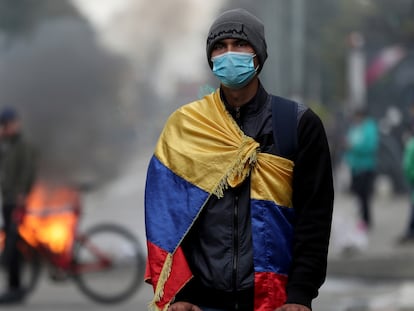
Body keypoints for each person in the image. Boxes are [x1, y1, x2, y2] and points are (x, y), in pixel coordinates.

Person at [144, 8, 334, 311]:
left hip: (274, 300)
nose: (229, 54)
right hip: (201, 303)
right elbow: (168, 216)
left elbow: (315, 218)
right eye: (220, 47)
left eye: (240, 45)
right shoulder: (187, 128)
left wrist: (300, 295)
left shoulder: (297, 124)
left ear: (259, 54)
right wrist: (182, 293)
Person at [0, 107, 37, 304]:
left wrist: (23, 192)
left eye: (9, 124)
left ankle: (15, 288)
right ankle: (15, 286)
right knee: (11, 242)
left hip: (16, 201)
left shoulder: (23, 146)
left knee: (13, 245)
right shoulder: (6, 146)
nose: (7, 128)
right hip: (7, 200)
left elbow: (27, 171)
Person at [344, 109, 379, 231]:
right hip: (355, 167)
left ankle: (366, 220)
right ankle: (361, 219)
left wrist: (354, 147)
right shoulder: (354, 128)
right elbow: (348, 144)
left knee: (364, 195)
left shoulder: (370, 128)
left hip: (366, 167)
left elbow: (370, 146)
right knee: (357, 194)